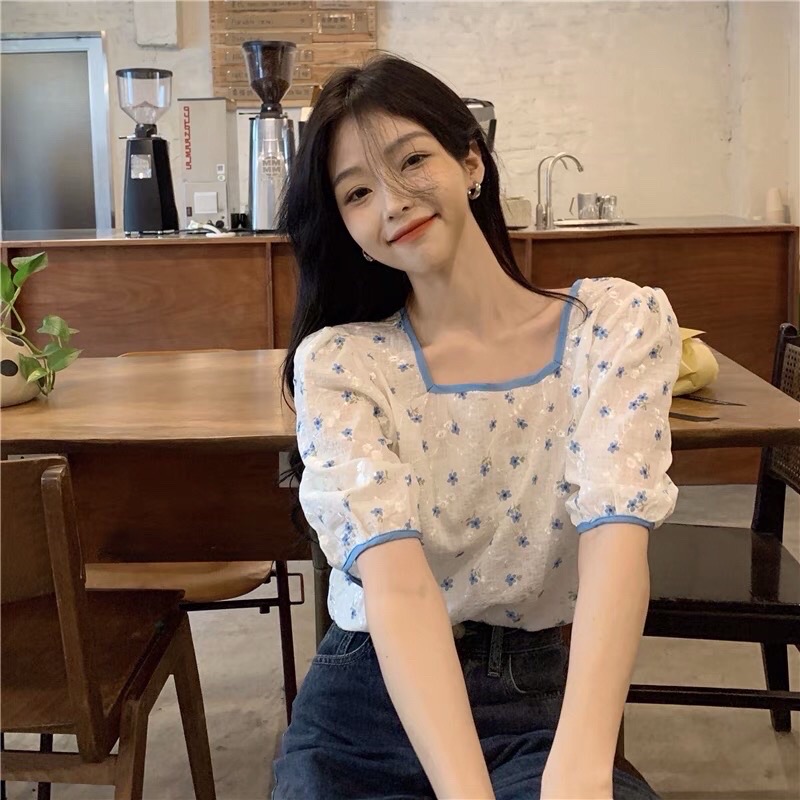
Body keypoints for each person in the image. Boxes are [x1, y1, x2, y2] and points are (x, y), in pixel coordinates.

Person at [273, 53, 680, 800]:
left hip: (536, 705)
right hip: (366, 706)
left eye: (412, 160)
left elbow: (616, 548)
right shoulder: (340, 363)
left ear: (470, 162)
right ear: (347, 227)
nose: (393, 202)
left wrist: (582, 768)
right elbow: (399, 590)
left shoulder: (614, 327)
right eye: (358, 191)